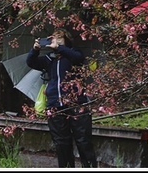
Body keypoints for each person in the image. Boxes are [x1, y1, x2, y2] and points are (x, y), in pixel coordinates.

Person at [28, 29, 97, 168]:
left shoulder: (73, 54)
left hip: (76, 103)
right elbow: (31, 62)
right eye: (53, 38)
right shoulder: (49, 58)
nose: (55, 41)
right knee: (61, 142)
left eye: (59, 38)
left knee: (83, 140)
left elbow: (78, 58)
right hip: (55, 104)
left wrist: (60, 48)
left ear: (66, 40)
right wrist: (35, 50)